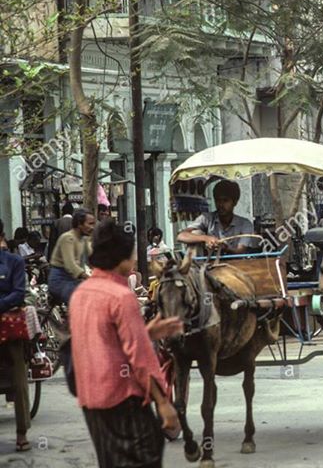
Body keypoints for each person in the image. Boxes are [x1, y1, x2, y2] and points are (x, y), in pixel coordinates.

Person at [70, 220, 181, 468]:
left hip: (92, 402)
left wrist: (144, 333)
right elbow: (140, 357)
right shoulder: (121, 297)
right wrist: (164, 403)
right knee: (146, 455)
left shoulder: (81, 294)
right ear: (123, 259)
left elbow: (103, 342)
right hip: (123, 400)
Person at [0, 218, 31, 451]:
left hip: (9, 327)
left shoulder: (14, 262)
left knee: (19, 380)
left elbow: (19, 293)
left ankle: (21, 433)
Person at [176, 180, 256, 254]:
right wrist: (206, 238)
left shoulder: (245, 224)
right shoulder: (206, 218)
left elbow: (240, 250)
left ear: (235, 202)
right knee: (196, 233)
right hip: (208, 265)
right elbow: (181, 236)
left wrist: (224, 248)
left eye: (225, 201)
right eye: (218, 200)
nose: (221, 205)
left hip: (236, 265)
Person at [48, 209, 94, 304]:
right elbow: (70, 265)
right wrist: (87, 277)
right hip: (60, 280)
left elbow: (94, 257)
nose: (92, 227)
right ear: (79, 224)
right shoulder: (68, 238)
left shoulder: (83, 239)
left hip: (73, 279)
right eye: (89, 224)